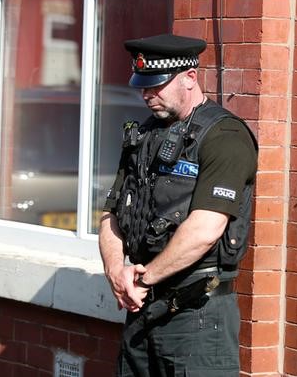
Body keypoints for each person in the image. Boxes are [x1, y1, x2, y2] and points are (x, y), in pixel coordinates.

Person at [99, 33, 258, 376]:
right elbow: (111, 215)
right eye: (142, 85)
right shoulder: (143, 136)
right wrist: (116, 273)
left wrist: (143, 280)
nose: (147, 94)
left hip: (197, 317)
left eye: (157, 85)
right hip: (141, 310)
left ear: (190, 77)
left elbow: (205, 229)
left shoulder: (224, 137)